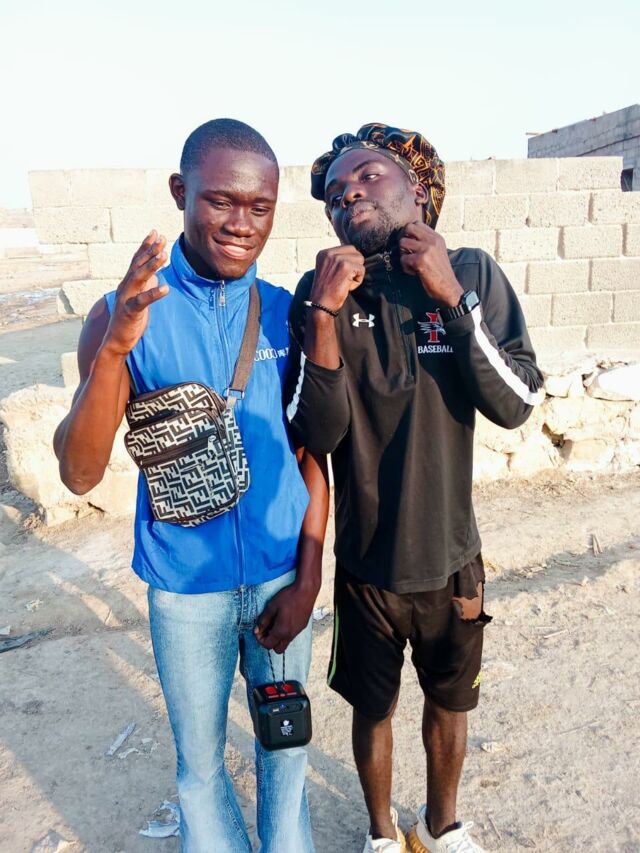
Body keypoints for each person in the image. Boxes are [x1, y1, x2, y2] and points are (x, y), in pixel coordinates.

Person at [54, 118, 328, 853]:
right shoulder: (124, 312)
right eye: (221, 201)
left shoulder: (285, 313)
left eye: (260, 207)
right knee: (201, 771)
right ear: (181, 192)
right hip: (184, 591)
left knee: (286, 753)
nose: (242, 224)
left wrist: (308, 578)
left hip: (280, 579)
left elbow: (312, 454)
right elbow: (79, 472)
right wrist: (115, 351)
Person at [284, 123, 544, 853]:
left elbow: (516, 401)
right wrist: (324, 313)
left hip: (453, 560)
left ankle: (440, 825)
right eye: (336, 193)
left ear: (419, 190)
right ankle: (379, 833)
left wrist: (451, 296)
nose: (347, 194)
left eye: (367, 175)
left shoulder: (471, 271)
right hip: (366, 567)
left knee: (451, 702)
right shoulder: (321, 292)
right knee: (372, 708)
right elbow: (317, 431)